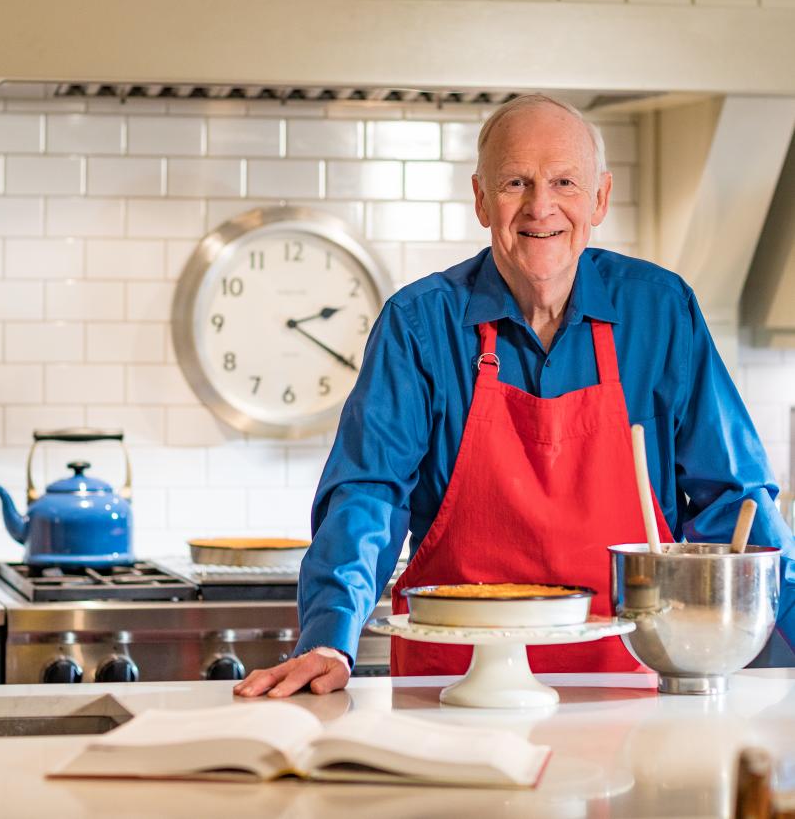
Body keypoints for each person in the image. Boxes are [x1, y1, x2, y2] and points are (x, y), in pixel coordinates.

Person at [234, 94, 795, 699]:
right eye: (515, 182)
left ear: (600, 198)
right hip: (452, 695)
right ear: (481, 199)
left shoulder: (661, 312)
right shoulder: (419, 325)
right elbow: (367, 493)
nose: (540, 206)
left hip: (630, 694)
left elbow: (734, 500)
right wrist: (329, 636)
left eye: (564, 182)